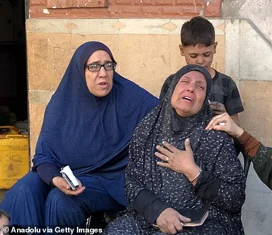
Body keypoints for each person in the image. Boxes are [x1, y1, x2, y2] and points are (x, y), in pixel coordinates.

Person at [0, 41, 158, 231]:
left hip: (111, 181)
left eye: (109, 65)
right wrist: (55, 179)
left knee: (59, 200)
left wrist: (203, 116)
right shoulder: (61, 104)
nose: (103, 73)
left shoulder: (130, 97)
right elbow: (43, 156)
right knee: (25, 188)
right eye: (94, 67)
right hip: (68, 175)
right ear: (79, 71)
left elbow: (167, 112)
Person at [104, 64, 246, 235]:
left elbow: (235, 197)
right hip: (151, 217)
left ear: (205, 100)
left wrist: (194, 173)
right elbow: (132, 182)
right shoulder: (148, 129)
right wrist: (158, 211)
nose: (191, 88)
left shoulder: (216, 137)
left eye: (200, 86)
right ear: (172, 89)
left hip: (203, 223)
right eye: (185, 81)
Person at [159, 16, 244, 126]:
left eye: (206, 54)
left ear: (214, 48)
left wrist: (224, 116)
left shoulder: (226, 84)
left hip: (216, 142)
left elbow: (237, 128)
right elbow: (161, 118)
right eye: (193, 55)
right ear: (182, 50)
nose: (200, 61)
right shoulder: (172, 82)